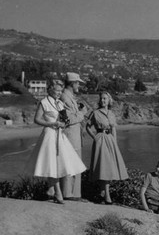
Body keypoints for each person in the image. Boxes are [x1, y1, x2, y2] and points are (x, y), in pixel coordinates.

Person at [25, 79, 86, 204]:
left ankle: (51, 190)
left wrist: (63, 124)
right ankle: (57, 192)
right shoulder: (44, 102)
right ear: (50, 90)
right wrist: (52, 123)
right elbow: (37, 120)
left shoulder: (59, 103)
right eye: (57, 90)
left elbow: (65, 119)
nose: (59, 93)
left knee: (58, 163)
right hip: (49, 134)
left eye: (60, 91)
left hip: (60, 134)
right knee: (53, 163)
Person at [86, 91, 129, 204]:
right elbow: (88, 127)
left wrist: (115, 143)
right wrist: (95, 137)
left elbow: (113, 129)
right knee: (103, 167)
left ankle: (102, 193)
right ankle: (107, 196)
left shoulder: (111, 113)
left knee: (108, 168)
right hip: (100, 140)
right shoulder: (95, 113)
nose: (102, 100)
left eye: (105, 98)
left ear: (109, 100)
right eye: (101, 98)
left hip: (110, 140)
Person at [60, 72, 87, 200]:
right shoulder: (65, 97)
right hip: (70, 137)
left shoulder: (69, 97)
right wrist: (82, 113)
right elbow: (69, 119)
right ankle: (68, 193)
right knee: (70, 164)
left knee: (74, 165)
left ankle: (74, 193)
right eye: (77, 83)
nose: (79, 86)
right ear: (72, 83)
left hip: (73, 136)